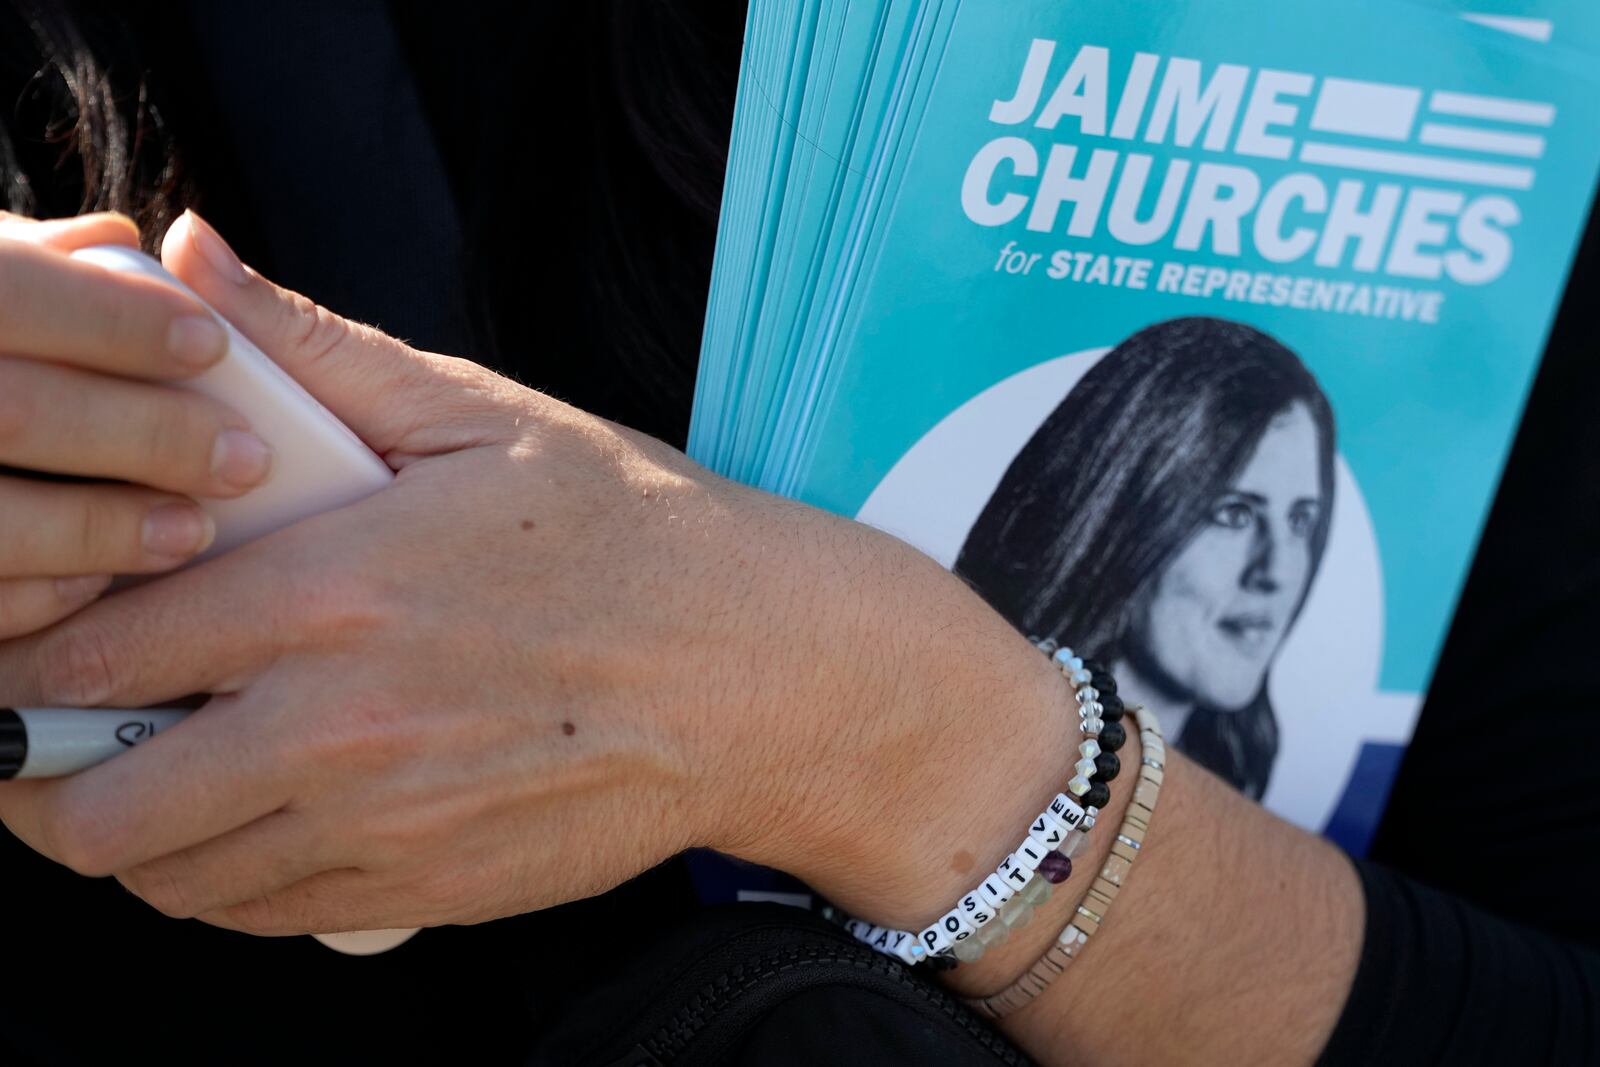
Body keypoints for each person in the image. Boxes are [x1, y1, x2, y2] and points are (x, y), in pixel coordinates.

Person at [0, 4, 1596, 1065]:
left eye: (1299, 521)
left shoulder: (1415, 80)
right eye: (1238, 504)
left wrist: (866, 729)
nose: (1278, 568)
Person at [956, 317, 1337, 799]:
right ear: (1116, 519)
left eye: (1301, 521)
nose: (1278, 572)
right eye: (1234, 514)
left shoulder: (1242, 791)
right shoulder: (969, 751)